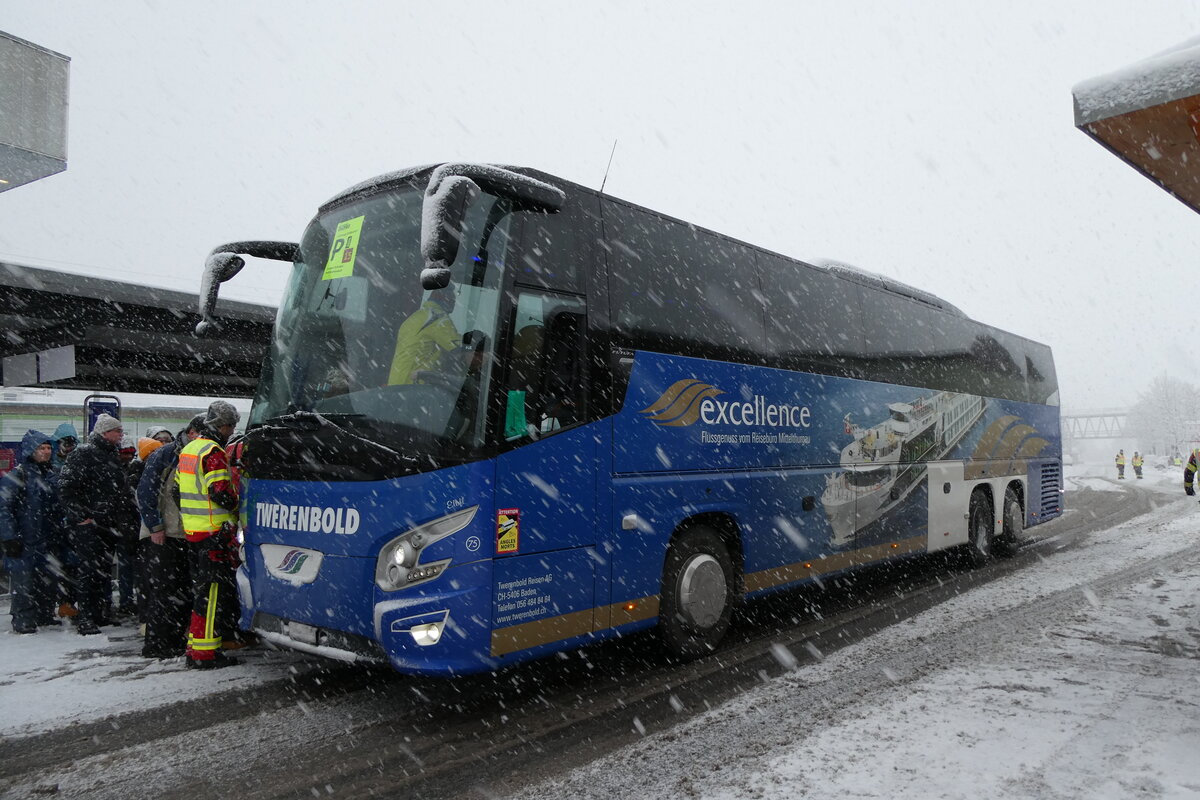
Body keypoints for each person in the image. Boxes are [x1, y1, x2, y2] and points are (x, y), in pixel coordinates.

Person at [176, 401, 243, 669]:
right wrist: (240, 505)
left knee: (201, 592)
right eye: (231, 425)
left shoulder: (189, 449)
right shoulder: (214, 452)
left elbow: (175, 491)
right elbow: (221, 493)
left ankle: (194, 647)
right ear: (224, 425)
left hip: (194, 532)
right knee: (212, 594)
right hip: (214, 533)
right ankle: (205, 654)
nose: (232, 430)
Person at [59, 413, 128, 635]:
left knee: (103, 571)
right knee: (88, 571)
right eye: (117, 431)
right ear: (105, 433)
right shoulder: (83, 454)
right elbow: (67, 488)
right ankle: (86, 616)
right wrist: (81, 516)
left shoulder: (111, 455)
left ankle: (99, 613)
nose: (121, 434)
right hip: (88, 525)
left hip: (107, 523)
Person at [138, 422, 199, 659]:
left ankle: (171, 639)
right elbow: (147, 491)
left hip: (184, 532)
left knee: (180, 590)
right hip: (168, 533)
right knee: (166, 590)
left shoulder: (188, 451)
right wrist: (156, 526)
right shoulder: (168, 454)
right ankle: (157, 644)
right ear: (192, 432)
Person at [0, 430, 66, 633]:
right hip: (24, 539)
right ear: (31, 450)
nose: (46, 452)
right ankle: (23, 619)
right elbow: (4, 508)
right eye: (41, 448)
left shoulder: (50, 474)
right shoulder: (17, 476)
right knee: (24, 582)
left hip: (47, 538)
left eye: (48, 448)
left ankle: (44, 614)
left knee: (47, 579)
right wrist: (9, 537)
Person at [387, 287, 461, 385]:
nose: (454, 301)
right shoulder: (438, 317)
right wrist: (478, 344)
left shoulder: (415, 317)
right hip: (414, 384)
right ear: (445, 298)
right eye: (452, 297)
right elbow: (458, 347)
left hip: (395, 382)